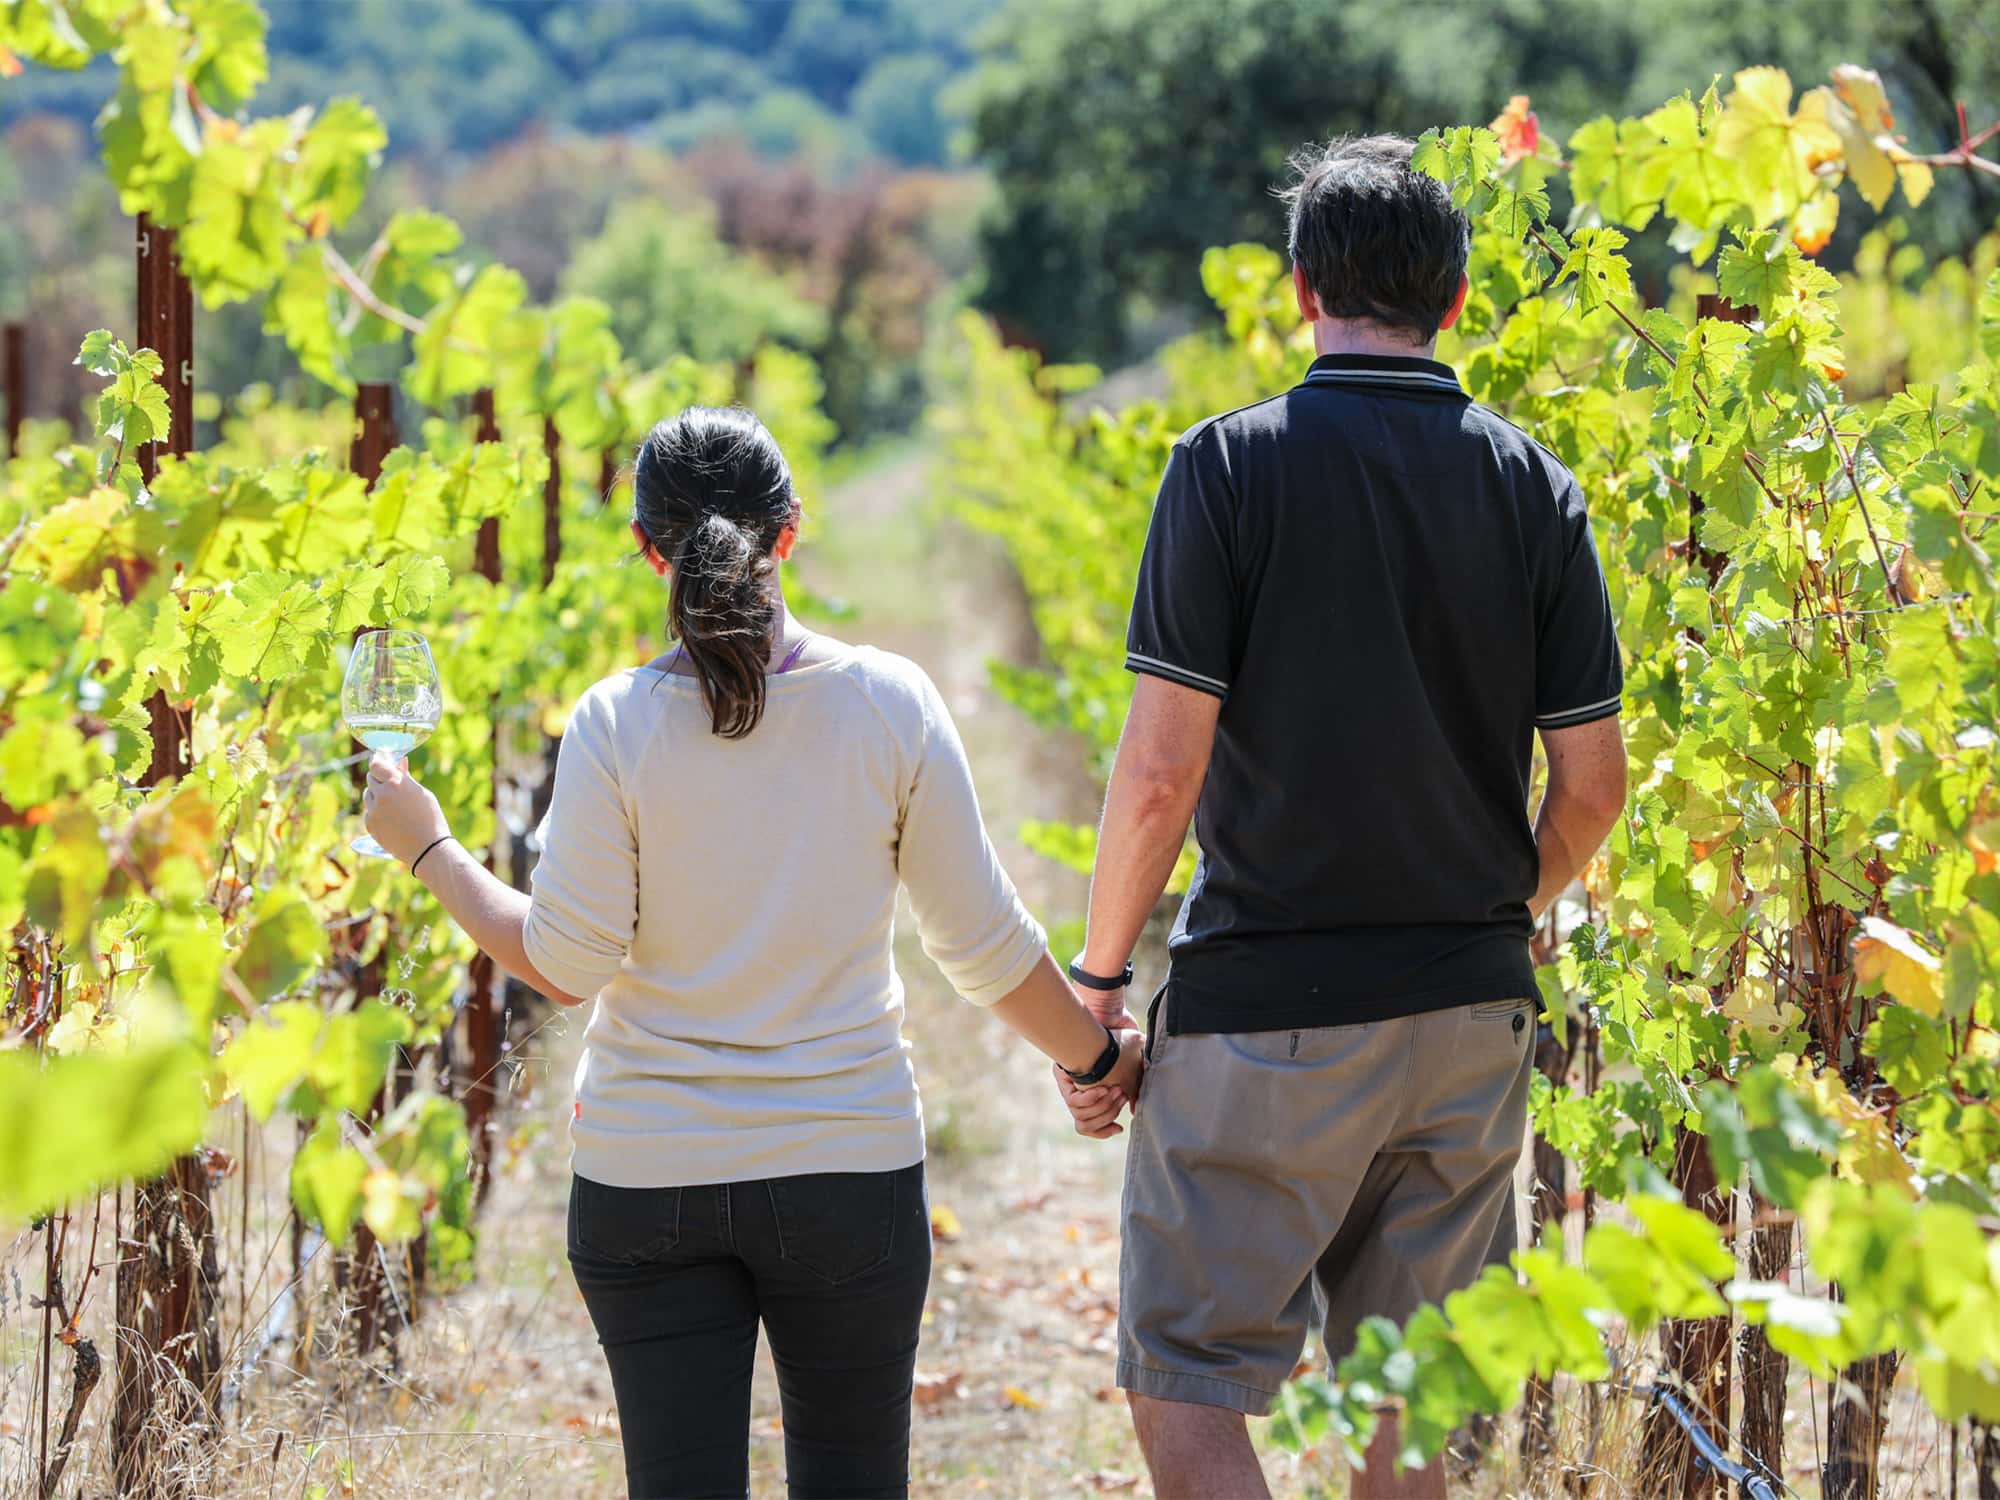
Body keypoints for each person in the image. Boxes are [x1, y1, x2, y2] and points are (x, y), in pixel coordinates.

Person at [363, 405, 1143, 1500]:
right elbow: (981, 946)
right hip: (849, 1175)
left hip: (646, 1181)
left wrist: (430, 848)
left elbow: (566, 962)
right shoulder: (889, 704)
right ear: (788, 535)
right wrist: (1099, 1060)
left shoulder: (610, 724)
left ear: (646, 550)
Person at [1056, 135, 1629, 1499]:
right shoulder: (1535, 486)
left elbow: (1155, 776)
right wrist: (1502, 911)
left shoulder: (1227, 470)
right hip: (1471, 1015)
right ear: (1463, 292)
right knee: (1416, 1407)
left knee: (1185, 1377)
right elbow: (1594, 790)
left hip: (1268, 1010)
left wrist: (1098, 979)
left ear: (1302, 288)